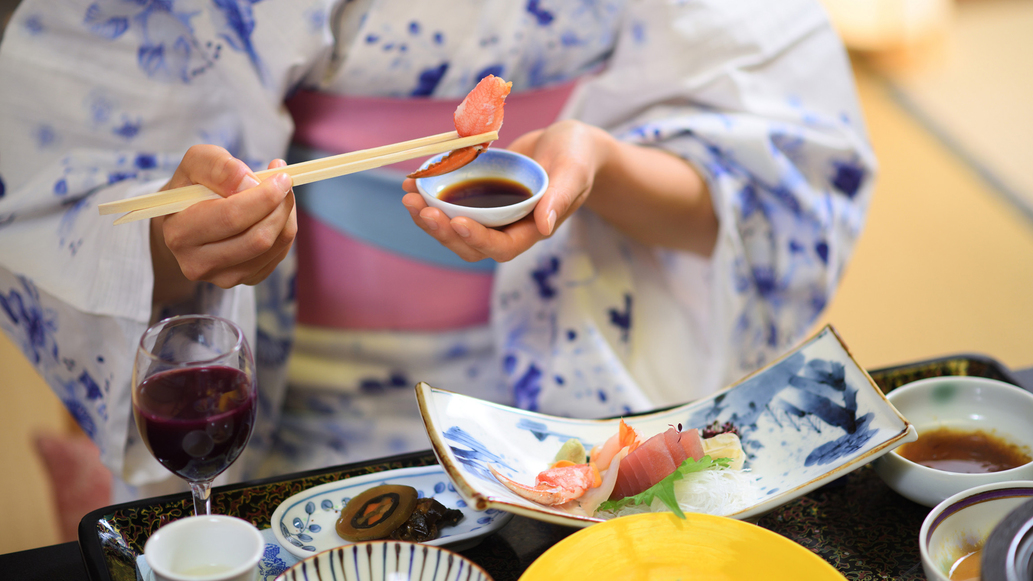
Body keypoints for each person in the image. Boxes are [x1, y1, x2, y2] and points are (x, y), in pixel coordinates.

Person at [0, 0, 876, 503]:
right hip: (292, 410)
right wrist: (183, 244)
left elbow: (780, 180)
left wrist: (600, 162)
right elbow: (63, 180)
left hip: (579, 394)